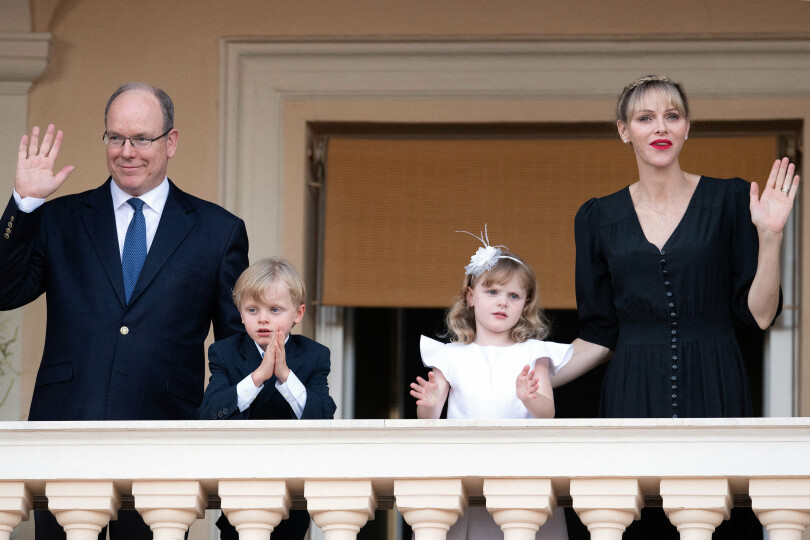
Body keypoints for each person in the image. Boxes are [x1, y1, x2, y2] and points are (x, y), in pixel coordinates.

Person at [0, 82, 250, 539]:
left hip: (164, 439)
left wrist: (219, 428)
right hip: (65, 434)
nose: (126, 151)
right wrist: (25, 204)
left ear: (170, 142)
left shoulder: (218, 232)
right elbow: (4, 290)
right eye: (115, 137)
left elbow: (235, 346)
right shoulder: (58, 219)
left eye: (141, 138)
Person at [556, 75, 799, 539]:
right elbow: (597, 333)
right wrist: (528, 372)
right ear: (624, 130)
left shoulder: (730, 200)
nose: (660, 127)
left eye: (672, 115)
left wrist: (771, 237)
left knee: (714, 521)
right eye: (645, 118)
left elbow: (761, 314)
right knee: (633, 525)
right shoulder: (596, 217)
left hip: (716, 381)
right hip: (632, 389)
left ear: (687, 127)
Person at [410, 227, 572, 540]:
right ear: (471, 296)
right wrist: (428, 405)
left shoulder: (534, 352)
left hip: (521, 469)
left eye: (514, 296)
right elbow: (429, 420)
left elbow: (546, 412)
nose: (503, 303)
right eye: (492, 292)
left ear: (525, 304)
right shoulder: (450, 355)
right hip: (465, 468)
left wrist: (529, 398)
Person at [198, 257, 336, 540]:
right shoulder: (224, 353)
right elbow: (209, 412)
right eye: (252, 309)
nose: (262, 318)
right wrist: (257, 377)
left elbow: (324, 415)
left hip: (292, 489)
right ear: (240, 313)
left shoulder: (314, 355)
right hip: (240, 486)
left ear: (297, 314)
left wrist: (285, 375)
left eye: (275, 310)